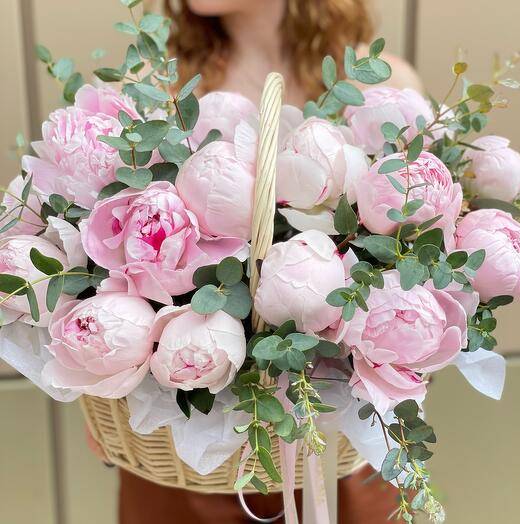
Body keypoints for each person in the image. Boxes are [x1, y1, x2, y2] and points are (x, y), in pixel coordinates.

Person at [114, 1, 423, 522]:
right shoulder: (156, 81)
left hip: (336, 454)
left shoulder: (381, 86)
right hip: (186, 459)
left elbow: (422, 254)